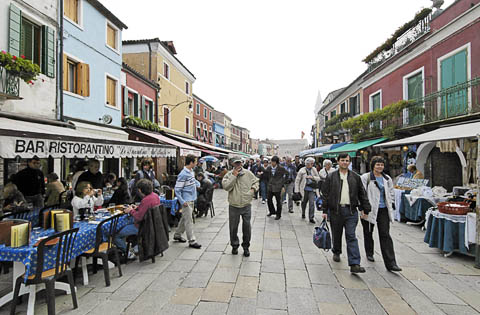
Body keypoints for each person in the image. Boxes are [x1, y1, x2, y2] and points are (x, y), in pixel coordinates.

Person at [321, 153, 371, 274]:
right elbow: (325, 194)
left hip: (351, 211)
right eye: (342, 160)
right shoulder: (331, 176)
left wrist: (365, 208)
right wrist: (324, 210)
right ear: (338, 161)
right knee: (336, 234)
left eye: (347, 160)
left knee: (351, 236)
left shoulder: (355, 177)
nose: (345, 162)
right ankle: (336, 251)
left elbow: (362, 193)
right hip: (336, 211)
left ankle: (354, 263)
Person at [361, 156, 402, 272]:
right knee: (368, 232)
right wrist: (363, 208)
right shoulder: (366, 177)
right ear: (373, 165)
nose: (380, 167)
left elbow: (391, 192)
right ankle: (369, 252)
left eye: (381, 165)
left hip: (383, 210)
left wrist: (392, 203)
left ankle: (391, 263)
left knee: (385, 234)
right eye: (377, 164)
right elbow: (362, 193)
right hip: (369, 209)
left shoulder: (387, 178)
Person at [222, 156, 259, 257]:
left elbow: (256, 181)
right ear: (232, 164)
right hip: (234, 205)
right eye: (236, 163)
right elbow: (226, 187)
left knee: (247, 227)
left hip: (246, 204)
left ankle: (246, 247)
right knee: (233, 227)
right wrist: (234, 176)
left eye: (239, 163)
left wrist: (253, 190)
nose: (238, 165)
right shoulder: (228, 175)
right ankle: (234, 245)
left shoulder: (248, 173)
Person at [115, 179, 159, 258]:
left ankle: (128, 253)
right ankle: (135, 247)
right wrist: (137, 207)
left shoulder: (145, 200)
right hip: (152, 224)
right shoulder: (155, 196)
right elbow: (147, 209)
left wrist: (130, 211)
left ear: (140, 190)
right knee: (127, 223)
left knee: (116, 235)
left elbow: (139, 217)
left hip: (143, 227)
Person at [174, 154, 202, 249]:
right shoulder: (183, 174)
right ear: (191, 162)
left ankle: (177, 235)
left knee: (184, 218)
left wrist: (197, 184)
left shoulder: (191, 171)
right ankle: (192, 240)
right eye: (195, 161)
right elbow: (177, 189)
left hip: (192, 198)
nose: (196, 163)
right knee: (189, 220)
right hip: (186, 200)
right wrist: (182, 201)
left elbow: (193, 181)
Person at [295, 157, 321, 223]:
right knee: (303, 203)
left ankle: (311, 217)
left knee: (312, 203)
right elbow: (297, 181)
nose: (312, 164)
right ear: (307, 163)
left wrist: (312, 177)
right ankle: (303, 212)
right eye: (311, 163)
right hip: (303, 189)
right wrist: (297, 190)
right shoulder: (302, 170)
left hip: (312, 189)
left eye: (313, 163)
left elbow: (318, 178)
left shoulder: (314, 169)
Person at [265, 156, 287, 220]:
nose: (272, 163)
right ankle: (272, 211)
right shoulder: (269, 168)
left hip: (278, 187)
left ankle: (278, 214)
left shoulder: (281, 168)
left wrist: (282, 183)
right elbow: (266, 175)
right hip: (270, 186)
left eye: (273, 162)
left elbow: (286, 174)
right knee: (269, 200)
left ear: (276, 162)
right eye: (271, 161)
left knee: (278, 201)